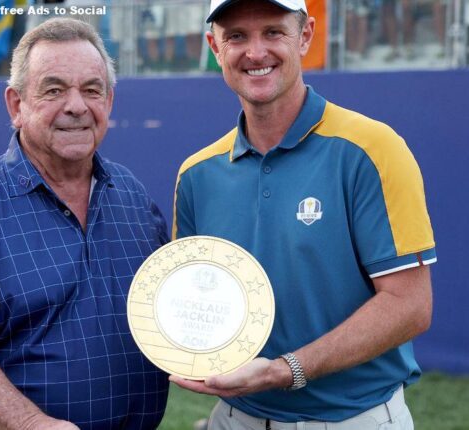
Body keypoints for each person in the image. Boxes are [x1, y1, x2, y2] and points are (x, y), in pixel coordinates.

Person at [171, 1, 436, 429]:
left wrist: (285, 370)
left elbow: (410, 305)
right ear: (215, 48)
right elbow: (197, 300)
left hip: (355, 420)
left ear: (306, 36)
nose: (255, 52)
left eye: (273, 32)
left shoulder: (373, 149)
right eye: (236, 36)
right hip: (236, 418)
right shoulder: (196, 174)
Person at [0, 18, 170, 430]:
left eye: (92, 90)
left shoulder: (132, 197)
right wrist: (33, 424)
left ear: (109, 102)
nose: (76, 106)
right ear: (16, 105)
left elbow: (167, 308)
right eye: (54, 90)